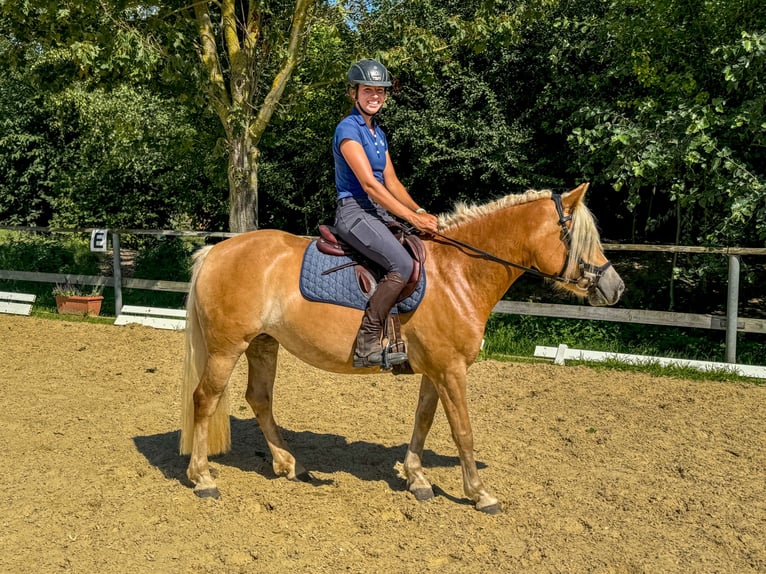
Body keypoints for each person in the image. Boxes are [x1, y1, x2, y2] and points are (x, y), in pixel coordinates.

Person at [333, 58, 440, 369]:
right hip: (353, 211)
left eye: (380, 91)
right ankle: (367, 342)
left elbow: (391, 181)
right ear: (354, 93)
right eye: (368, 90)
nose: (375, 96)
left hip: (376, 212)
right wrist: (412, 218)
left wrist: (419, 210)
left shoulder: (378, 133)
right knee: (402, 263)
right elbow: (370, 184)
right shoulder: (348, 129)